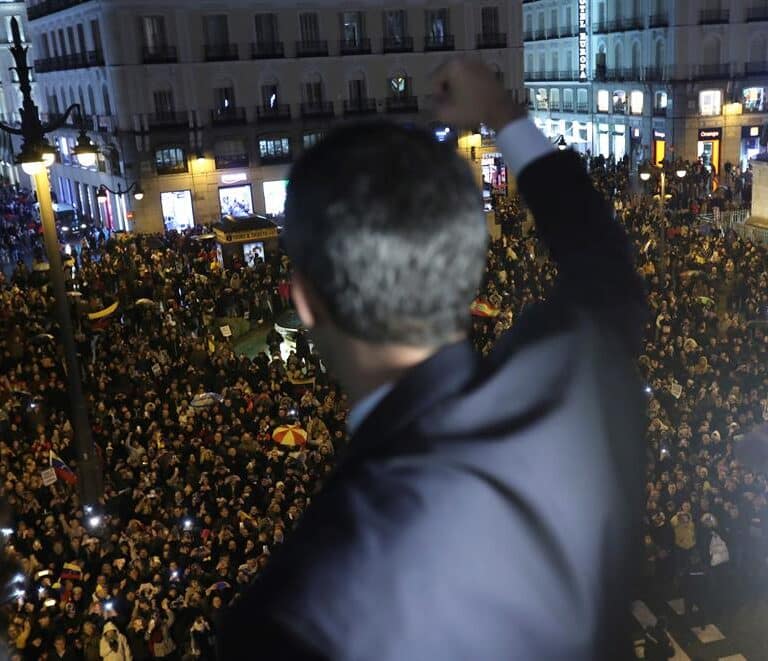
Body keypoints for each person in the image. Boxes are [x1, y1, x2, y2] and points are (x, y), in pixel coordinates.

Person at [218, 59, 646, 659]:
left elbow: (604, 270)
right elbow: (605, 268)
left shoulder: (294, 611)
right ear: (468, 270)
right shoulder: (569, 384)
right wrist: (501, 113)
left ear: (306, 300)